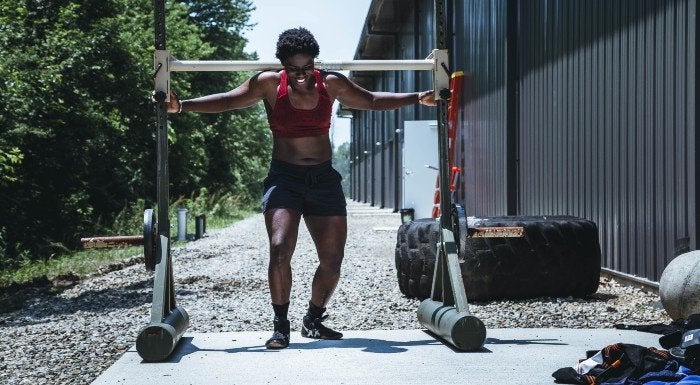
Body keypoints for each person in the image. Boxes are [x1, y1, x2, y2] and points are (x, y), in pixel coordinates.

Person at [166, 27, 436, 349]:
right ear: (283, 66)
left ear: (314, 63)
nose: (301, 76)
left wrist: (418, 97)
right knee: (279, 248)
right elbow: (228, 101)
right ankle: (281, 327)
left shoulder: (330, 82)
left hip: (323, 179)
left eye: (307, 68)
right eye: (294, 70)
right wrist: (181, 106)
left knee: (332, 260)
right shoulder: (269, 84)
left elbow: (372, 100)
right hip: (285, 178)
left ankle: (314, 319)